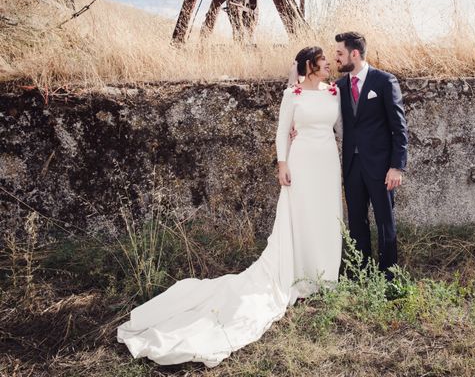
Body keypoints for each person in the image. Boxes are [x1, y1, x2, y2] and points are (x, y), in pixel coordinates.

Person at [117, 46, 343, 367]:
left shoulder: (334, 92)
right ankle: (301, 275)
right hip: (302, 160)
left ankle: (325, 278)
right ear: (310, 65)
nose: (329, 66)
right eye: (323, 62)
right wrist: (282, 163)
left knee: (326, 218)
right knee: (302, 219)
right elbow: (282, 132)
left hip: (327, 162)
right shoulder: (292, 94)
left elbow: (341, 129)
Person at [334, 31, 408, 280]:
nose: (336, 58)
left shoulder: (384, 82)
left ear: (354, 53)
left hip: (381, 167)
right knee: (356, 221)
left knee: (385, 221)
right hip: (352, 166)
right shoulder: (340, 86)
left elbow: (399, 127)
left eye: (340, 53)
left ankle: (389, 276)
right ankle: (360, 273)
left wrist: (397, 167)